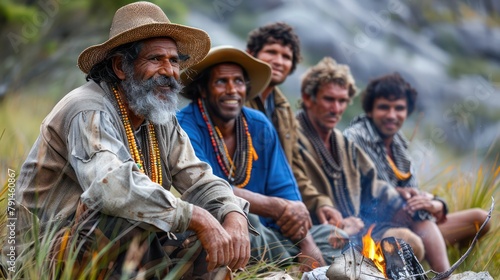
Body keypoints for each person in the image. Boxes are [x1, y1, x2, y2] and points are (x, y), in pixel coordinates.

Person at [14, 2, 251, 279]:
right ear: (120, 66)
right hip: (46, 257)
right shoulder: (88, 109)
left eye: (174, 60)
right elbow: (110, 188)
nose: (169, 71)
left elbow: (198, 178)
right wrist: (196, 217)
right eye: (155, 59)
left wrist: (233, 214)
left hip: (114, 250)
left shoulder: (157, 114)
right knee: (128, 218)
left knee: (211, 235)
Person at [177, 46, 344, 270]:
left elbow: (286, 194)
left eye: (238, 82)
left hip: (274, 232)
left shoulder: (258, 124)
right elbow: (208, 187)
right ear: (204, 90)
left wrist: (308, 244)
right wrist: (275, 207)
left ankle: (292, 260)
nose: (231, 90)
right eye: (220, 82)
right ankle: (292, 263)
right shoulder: (185, 125)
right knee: (245, 221)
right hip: (224, 226)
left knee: (337, 237)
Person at [343, 73, 491, 272]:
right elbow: (375, 196)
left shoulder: (398, 144)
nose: (392, 115)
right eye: (384, 107)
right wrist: (410, 200)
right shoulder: (356, 137)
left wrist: (434, 203)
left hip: (410, 223)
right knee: (416, 232)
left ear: (407, 111)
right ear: (370, 110)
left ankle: (431, 267)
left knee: (480, 219)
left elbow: (414, 194)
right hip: (368, 230)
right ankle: (443, 275)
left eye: (399, 108)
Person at [295, 57, 426, 260]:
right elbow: (294, 188)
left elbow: (375, 186)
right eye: (329, 99)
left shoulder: (343, 143)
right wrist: (340, 224)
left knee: (408, 242)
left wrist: (407, 203)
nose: (336, 109)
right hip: (318, 234)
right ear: (309, 98)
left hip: (359, 232)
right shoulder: (293, 136)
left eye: (342, 101)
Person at [245, 22, 343, 228]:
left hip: (279, 214)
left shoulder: (284, 111)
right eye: (271, 52)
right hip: (241, 208)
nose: (279, 61)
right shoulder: (235, 101)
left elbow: (293, 169)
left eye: (286, 57)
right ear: (251, 54)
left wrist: (320, 203)